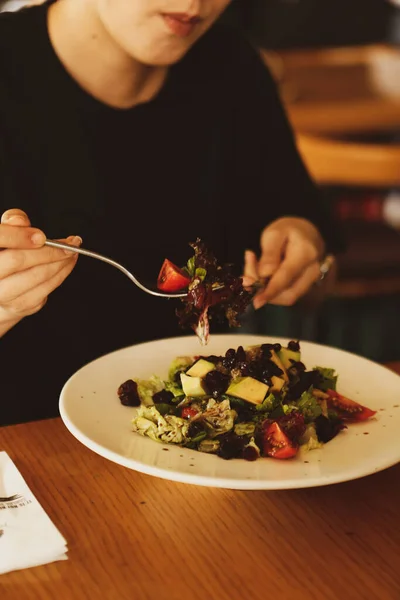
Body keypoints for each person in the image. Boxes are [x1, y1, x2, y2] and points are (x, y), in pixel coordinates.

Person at [0, 0, 343, 425]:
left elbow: (320, 282)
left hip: (195, 444)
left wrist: (307, 258)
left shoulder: (229, 64)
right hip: (25, 445)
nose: (197, 3)